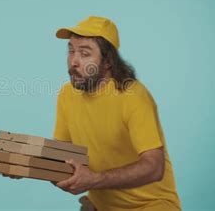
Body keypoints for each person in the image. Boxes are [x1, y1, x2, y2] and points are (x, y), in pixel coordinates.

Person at [52, 16, 181, 211]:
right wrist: (27, 166)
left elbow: (154, 167)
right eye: (71, 51)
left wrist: (94, 180)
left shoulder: (133, 96)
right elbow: (62, 156)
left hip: (151, 206)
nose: (74, 62)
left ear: (108, 61)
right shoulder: (66, 95)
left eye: (85, 54)